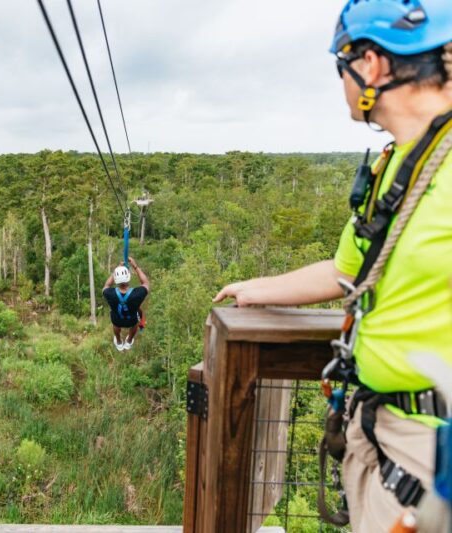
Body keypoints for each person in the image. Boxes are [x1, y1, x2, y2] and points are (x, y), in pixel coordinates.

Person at [214, 0, 452, 530]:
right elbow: (347, 271)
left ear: (369, 66)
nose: (339, 80)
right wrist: (257, 290)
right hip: (380, 431)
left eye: (339, 65)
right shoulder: (401, 164)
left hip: (429, 450)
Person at [103, 256, 149, 351]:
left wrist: (117, 270)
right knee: (134, 324)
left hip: (117, 320)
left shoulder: (109, 293)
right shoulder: (137, 294)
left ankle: (119, 341)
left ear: (116, 279)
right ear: (128, 278)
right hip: (131, 321)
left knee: (115, 325)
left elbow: (106, 285)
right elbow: (145, 283)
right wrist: (135, 266)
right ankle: (129, 340)